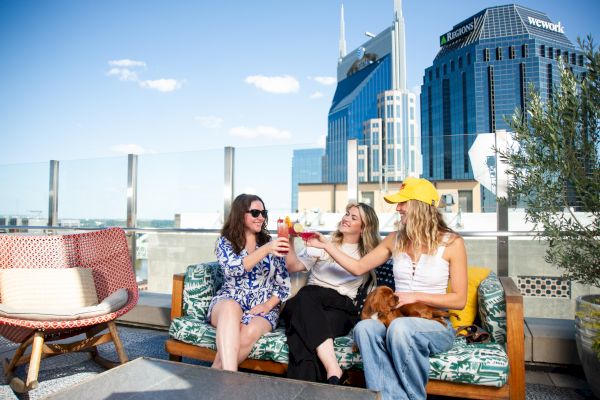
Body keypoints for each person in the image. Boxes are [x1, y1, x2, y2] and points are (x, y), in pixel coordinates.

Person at [307, 177, 467, 400]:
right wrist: (326, 245)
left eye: (403, 203)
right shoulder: (395, 239)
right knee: (364, 329)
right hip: (395, 320)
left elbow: (459, 300)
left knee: (401, 329)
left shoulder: (452, 243)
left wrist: (414, 296)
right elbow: (358, 267)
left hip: (435, 324)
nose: (398, 208)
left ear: (420, 206)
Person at [282, 202, 381, 384]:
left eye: (353, 217)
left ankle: (299, 391)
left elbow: (356, 269)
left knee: (301, 329)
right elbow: (292, 266)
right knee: (304, 304)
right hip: (309, 303)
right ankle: (333, 370)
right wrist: (289, 239)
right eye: (346, 214)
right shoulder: (324, 242)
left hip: (341, 308)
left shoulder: (368, 253)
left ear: (364, 227)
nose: (346, 218)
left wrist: (326, 246)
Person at [207, 194, 291, 371]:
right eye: (255, 212)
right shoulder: (225, 242)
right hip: (229, 301)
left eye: (263, 213)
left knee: (248, 332)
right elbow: (233, 269)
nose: (261, 217)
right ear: (240, 214)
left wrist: (267, 306)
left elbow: (283, 285)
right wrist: (266, 250)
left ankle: (217, 375)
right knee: (230, 307)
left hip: (262, 307)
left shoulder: (270, 243)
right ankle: (230, 377)